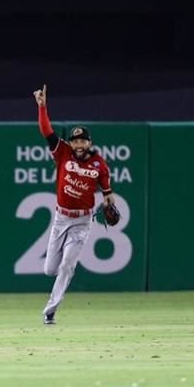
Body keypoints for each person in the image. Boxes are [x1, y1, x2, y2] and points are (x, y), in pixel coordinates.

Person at [33, 84, 115, 325]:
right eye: (75, 141)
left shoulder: (100, 164)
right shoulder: (63, 153)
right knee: (50, 269)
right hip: (60, 219)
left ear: (89, 143)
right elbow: (46, 130)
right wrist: (42, 107)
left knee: (67, 265)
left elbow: (108, 193)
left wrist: (110, 204)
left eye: (82, 141)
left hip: (82, 221)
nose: (78, 145)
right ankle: (52, 303)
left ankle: (50, 311)